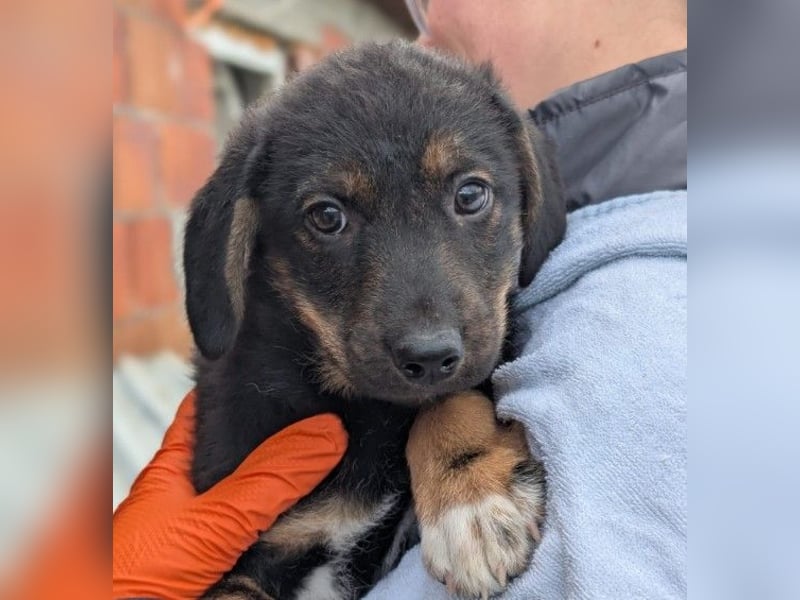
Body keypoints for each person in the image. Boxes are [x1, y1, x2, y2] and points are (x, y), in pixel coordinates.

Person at [113, 0, 686, 597]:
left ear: (531, 194)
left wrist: (453, 424)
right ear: (241, 242)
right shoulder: (245, 424)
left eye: (469, 197)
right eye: (328, 218)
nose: (427, 334)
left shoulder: (630, 305)